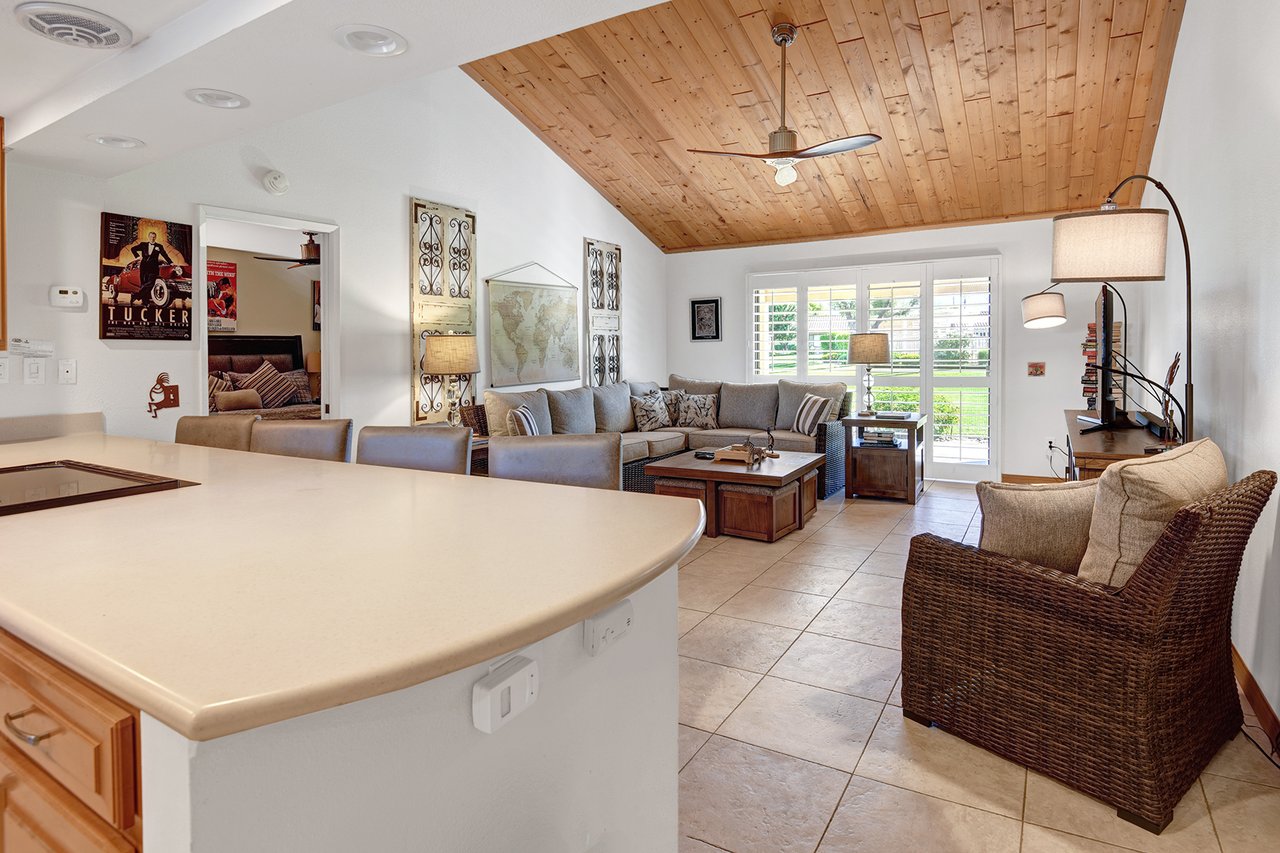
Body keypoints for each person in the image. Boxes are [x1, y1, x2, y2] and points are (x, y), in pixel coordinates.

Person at [130, 231, 174, 305]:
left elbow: (164, 255)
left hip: (153, 268)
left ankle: (136, 295)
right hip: (144, 267)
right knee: (143, 284)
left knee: (151, 284)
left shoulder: (159, 246)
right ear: (148, 237)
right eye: (151, 237)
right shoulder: (143, 244)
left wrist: (171, 262)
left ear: (155, 237)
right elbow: (133, 249)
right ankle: (145, 301)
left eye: (154, 237)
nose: (152, 238)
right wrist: (137, 256)